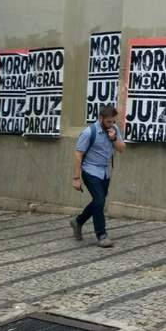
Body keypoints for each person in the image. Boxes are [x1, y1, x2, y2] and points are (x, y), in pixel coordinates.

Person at [70, 105, 126, 247]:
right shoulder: (89, 132)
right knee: (100, 200)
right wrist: (76, 178)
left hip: (105, 172)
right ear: (101, 118)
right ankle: (101, 235)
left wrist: (114, 138)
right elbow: (78, 154)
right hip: (90, 170)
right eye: (108, 122)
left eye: (113, 121)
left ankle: (78, 221)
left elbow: (122, 149)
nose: (111, 124)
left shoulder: (114, 129)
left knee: (98, 201)